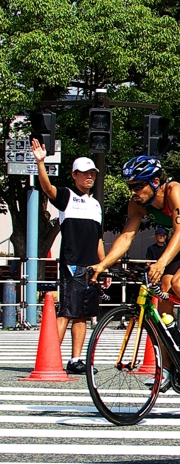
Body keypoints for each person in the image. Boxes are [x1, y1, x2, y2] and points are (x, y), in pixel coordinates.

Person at [92, 155, 180, 353]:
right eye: (130, 186)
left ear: (155, 182)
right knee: (164, 287)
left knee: (179, 283)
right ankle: (172, 359)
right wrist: (102, 265)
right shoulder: (137, 205)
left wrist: (161, 263)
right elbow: (126, 237)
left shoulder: (174, 191)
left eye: (137, 186)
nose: (132, 192)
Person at [31, 141, 104, 375]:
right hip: (72, 264)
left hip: (91, 266)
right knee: (67, 312)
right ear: (74, 175)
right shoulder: (67, 197)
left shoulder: (96, 205)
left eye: (92, 173)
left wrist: (103, 267)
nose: (89, 177)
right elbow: (47, 188)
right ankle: (51, 356)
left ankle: (75, 359)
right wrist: (40, 162)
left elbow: (99, 240)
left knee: (82, 314)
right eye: (84, 173)